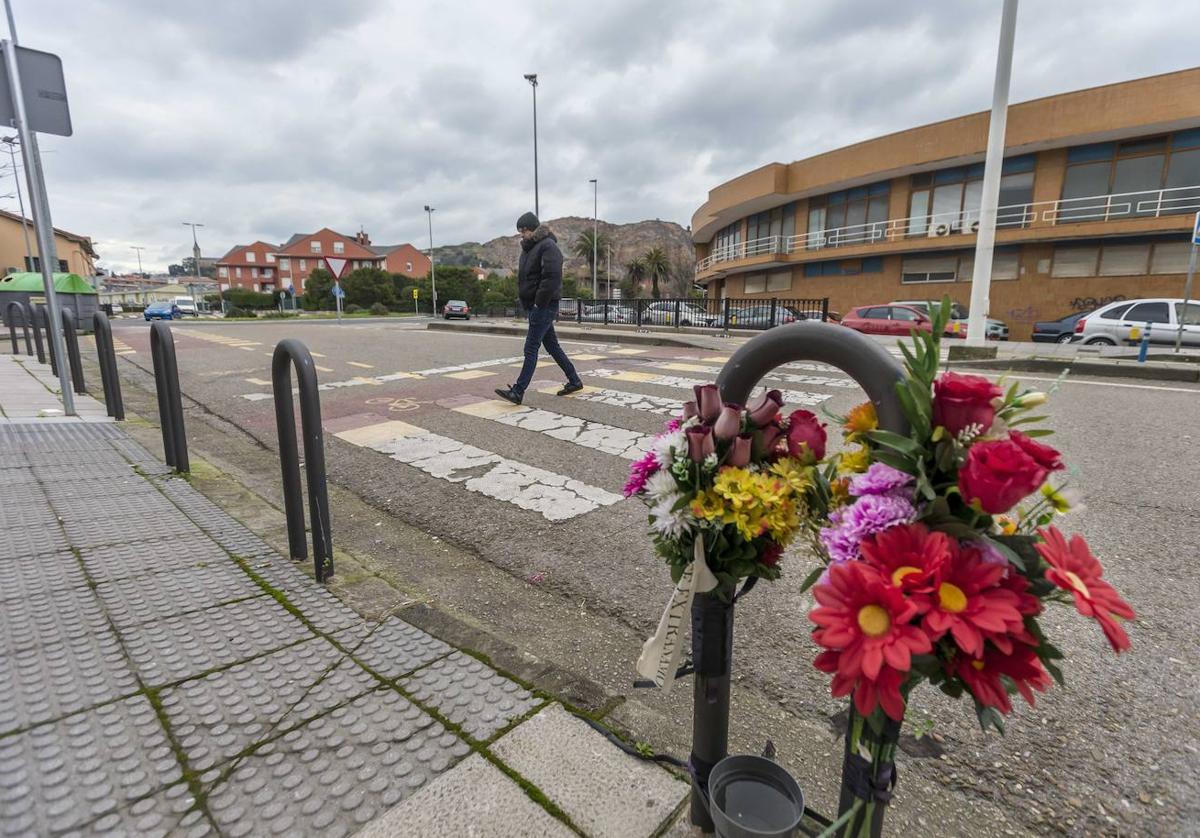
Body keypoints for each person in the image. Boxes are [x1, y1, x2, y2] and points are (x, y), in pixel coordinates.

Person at [494, 212, 583, 405]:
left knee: (531, 347)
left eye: (523, 230)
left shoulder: (548, 246)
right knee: (552, 346)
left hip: (544, 305)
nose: (521, 235)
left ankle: (518, 391)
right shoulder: (529, 249)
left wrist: (538, 303)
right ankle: (574, 380)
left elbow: (551, 278)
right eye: (520, 231)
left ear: (532, 228)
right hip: (536, 306)